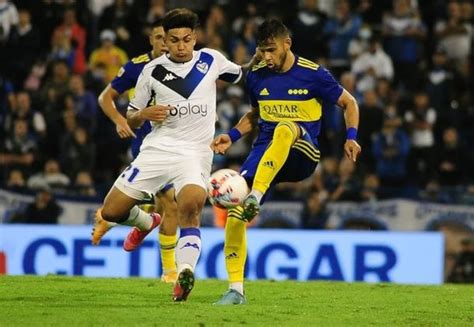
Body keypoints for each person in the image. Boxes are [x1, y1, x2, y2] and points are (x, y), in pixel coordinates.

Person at [96, 8, 244, 302]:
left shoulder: (212, 60)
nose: (179, 46)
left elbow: (243, 72)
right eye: (173, 40)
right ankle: (145, 222)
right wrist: (144, 114)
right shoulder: (151, 71)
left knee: (190, 208)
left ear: (195, 38)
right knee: (111, 212)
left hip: (195, 154)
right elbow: (131, 116)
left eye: (186, 40)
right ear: (165, 40)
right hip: (157, 149)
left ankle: (184, 272)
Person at [212, 18, 361, 304]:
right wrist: (231, 136)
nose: (266, 57)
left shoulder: (313, 74)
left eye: (271, 50)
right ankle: (235, 290)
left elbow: (349, 103)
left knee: (285, 127)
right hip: (265, 151)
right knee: (235, 212)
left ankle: (256, 195)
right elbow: (256, 114)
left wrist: (351, 136)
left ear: (287, 44)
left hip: (302, 154)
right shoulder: (256, 75)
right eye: (262, 50)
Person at [91, 19, 180, 284]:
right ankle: (163, 259)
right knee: (166, 204)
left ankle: (147, 231)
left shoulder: (184, 65)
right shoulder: (137, 66)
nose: (165, 43)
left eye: (169, 38)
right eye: (159, 38)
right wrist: (120, 121)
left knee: (167, 203)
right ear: (151, 40)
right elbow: (104, 97)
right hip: (146, 147)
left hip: (175, 145)